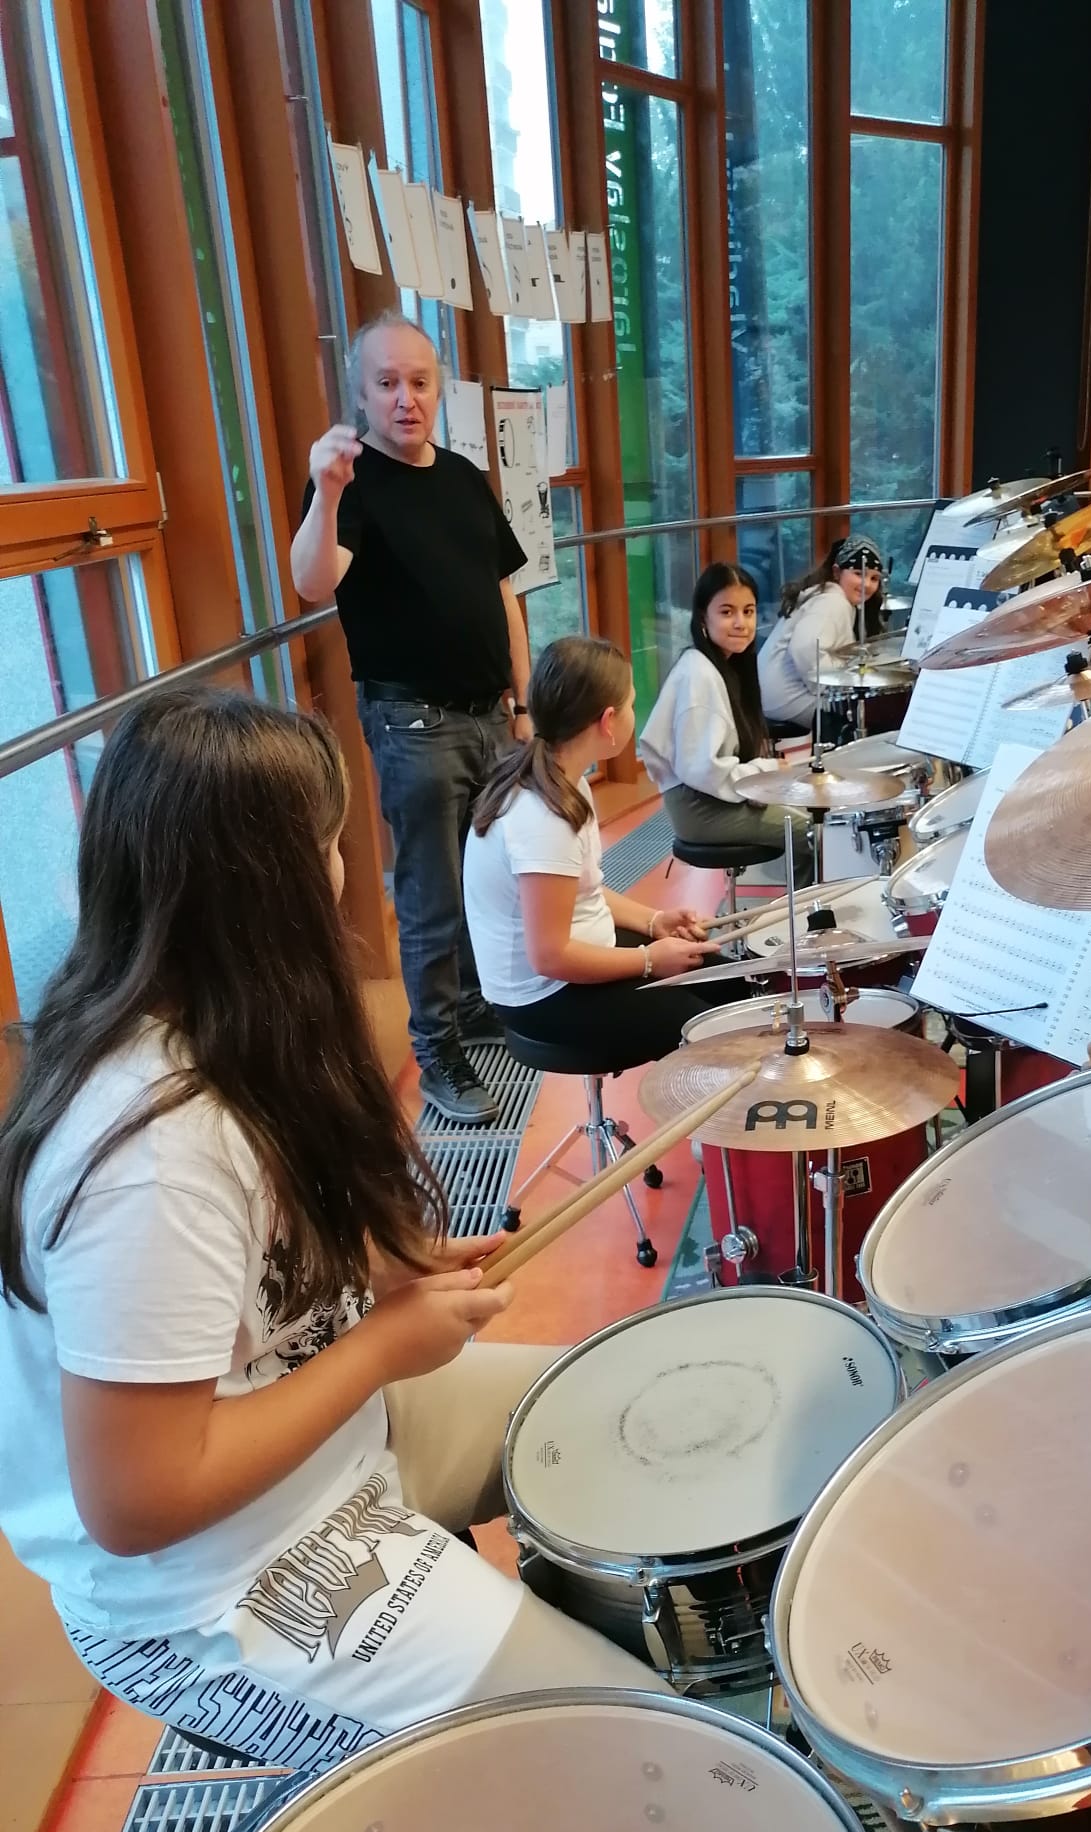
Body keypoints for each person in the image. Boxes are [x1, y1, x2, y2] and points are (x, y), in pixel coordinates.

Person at [0, 688, 660, 1777]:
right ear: (271, 884)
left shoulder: (225, 1022)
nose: (347, 868)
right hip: (211, 1584)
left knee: (635, 1408)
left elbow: (248, 1272)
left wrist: (381, 1270)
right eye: (329, 843)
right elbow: (138, 1499)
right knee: (636, 1750)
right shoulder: (145, 1154)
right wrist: (382, 1345)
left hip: (332, 1441)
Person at [291, 310, 532, 1127]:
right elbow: (312, 582)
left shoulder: (462, 476)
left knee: (489, 875)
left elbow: (503, 594)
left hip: (490, 715)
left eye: (419, 382)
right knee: (432, 893)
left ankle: (474, 1005)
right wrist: (326, 493)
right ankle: (437, 1050)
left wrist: (523, 706)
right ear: (361, 393)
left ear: (439, 388)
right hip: (412, 723)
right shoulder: (351, 484)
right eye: (387, 383)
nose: (406, 398)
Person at [466, 635, 748, 1065]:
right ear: (609, 720)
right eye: (632, 703)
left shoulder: (565, 778)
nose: (635, 712)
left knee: (735, 987)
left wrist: (654, 921)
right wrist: (648, 960)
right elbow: (549, 956)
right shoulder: (543, 816)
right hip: (543, 996)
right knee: (713, 1031)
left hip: (576, 957)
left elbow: (583, 891)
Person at [638, 561, 814, 885]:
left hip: (711, 797)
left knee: (811, 814)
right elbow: (702, 771)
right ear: (702, 618)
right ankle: (805, 913)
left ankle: (801, 906)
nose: (740, 623)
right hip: (699, 807)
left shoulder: (723, 667)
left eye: (748, 611)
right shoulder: (699, 674)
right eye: (727, 612)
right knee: (812, 831)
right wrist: (764, 771)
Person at [756, 534, 886, 730]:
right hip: (787, 697)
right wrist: (829, 689)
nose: (867, 584)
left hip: (774, 694)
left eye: (874, 578)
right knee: (868, 718)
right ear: (837, 572)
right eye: (859, 574)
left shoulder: (827, 595)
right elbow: (805, 648)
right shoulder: (832, 601)